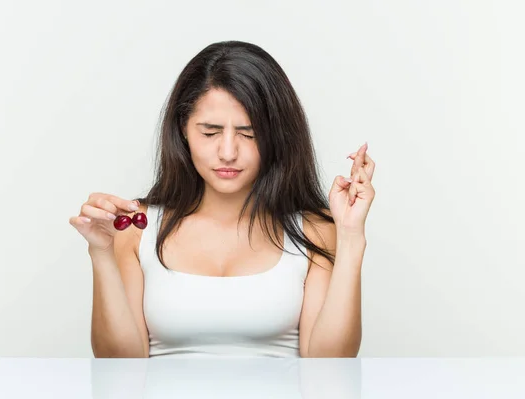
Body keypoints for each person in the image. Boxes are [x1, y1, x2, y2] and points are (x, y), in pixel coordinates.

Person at [69, 40, 376, 358]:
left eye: (249, 133)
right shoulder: (136, 228)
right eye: (210, 132)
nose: (228, 152)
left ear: (276, 135)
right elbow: (117, 365)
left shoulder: (314, 230)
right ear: (183, 129)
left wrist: (351, 236)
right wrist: (101, 252)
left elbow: (331, 365)